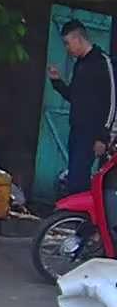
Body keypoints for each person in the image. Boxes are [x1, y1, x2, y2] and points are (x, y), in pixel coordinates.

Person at [49, 20, 116, 194]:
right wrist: (57, 82)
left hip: (92, 134)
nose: (67, 48)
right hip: (76, 130)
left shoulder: (102, 61)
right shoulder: (80, 64)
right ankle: (76, 210)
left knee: (78, 179)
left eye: (67, 43)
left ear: (78, 39)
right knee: (75, 178)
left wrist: (103, 136)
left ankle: (79, 210)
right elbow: (75, 97)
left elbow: (112, 101)